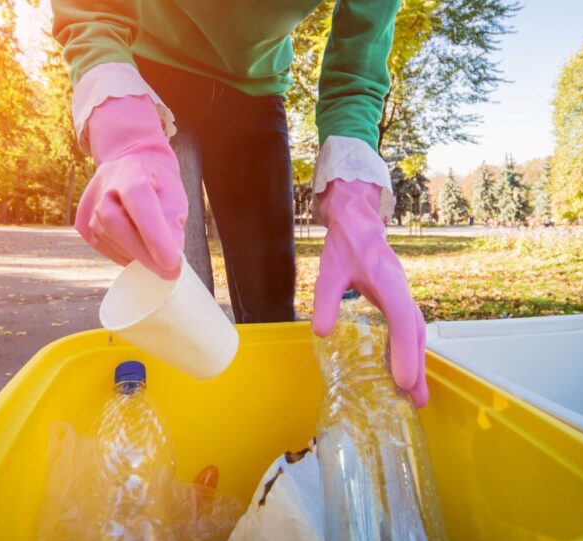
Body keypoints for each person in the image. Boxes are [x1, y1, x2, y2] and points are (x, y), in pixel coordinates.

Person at [52, 0, 429, 406]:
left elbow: (357, 65)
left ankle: (274, 441)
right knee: (177, 300)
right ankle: (192, 435)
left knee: (270, 303)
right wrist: (118, 114)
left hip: (256, 91)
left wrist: (353, 197)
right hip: (151, 72)